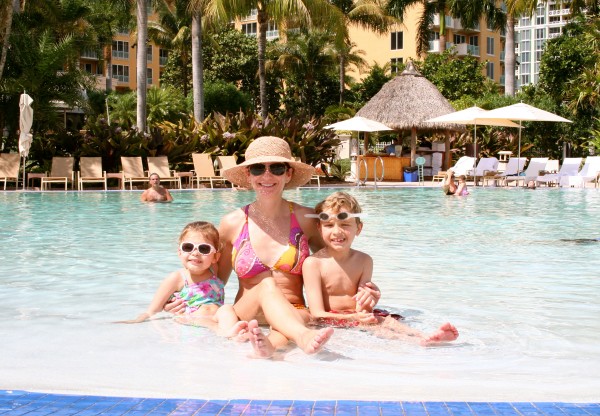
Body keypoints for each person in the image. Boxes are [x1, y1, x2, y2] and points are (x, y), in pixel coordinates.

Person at [169, 136, 374, 357]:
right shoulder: (232, 223)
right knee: (267, 284)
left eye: (276, 168)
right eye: (258, 168)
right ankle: (303, 337)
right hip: (247, 312)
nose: (267, 175)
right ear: (248, 175)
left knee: (290, 323)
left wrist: (366, 290)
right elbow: (212, 280)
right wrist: (180, 301)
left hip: (295, 312)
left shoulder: (305, 218)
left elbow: (334, 262)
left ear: (288, 173)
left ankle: (268, 346)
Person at [303, 191, 459, 346]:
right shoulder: (313, 263)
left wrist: (370, 301)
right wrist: (355, 318)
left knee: (386, 321)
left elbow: (363, 305)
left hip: (357, 316)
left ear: (359, 228)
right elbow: (316, 314)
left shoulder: (364, 260)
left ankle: (425, 336)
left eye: (345, 224)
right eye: (329, 225)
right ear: (319, 228)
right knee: (376, 325)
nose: (337, 231)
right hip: (330, 320)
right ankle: (417, 341)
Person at [118, 221, 246, 338]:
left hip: (216, 315)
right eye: (188, 247)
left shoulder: (214, 270)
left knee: (227, 309)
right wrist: (137, 320)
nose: (195, 253)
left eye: (204, 249)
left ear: (215, 257)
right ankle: (223, 332)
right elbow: (153, 309)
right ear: (179, 252)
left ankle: (233, 336)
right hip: (191, 319)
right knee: (210, 318)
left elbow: (225, 241)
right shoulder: (178, 278)